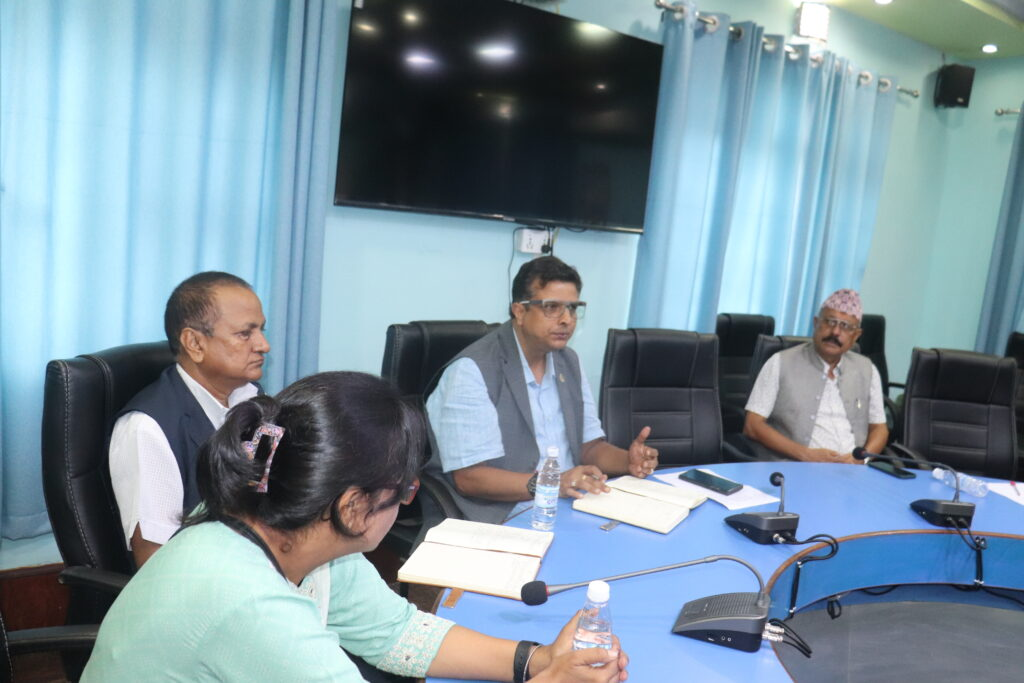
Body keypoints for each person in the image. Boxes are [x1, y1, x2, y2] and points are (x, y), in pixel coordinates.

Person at [82, 372, 629, 682]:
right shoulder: (250, 604)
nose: (407, 499)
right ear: (353, 508)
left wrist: (538, 660)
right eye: (405, 491)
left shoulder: (286, 523)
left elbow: (396, 633)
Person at [426, 256, 658, 524]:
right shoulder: (471, 370)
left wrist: (627, 461)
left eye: (572, 308)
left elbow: (589, 447)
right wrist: (552, 484)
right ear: (520, 311)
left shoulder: (568, 361)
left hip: (569, 502)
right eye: (552, 307)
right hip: (502, 513)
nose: (567, 320)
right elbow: (470, 478)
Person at [108, 271, 270, 567]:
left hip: (257, 560)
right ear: (194, 343)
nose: (263, 345)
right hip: (204, 580)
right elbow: (156, 561)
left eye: (261, 330)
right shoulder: (146, 429)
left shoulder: (255, 400)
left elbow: (265, 490)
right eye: (245, 334)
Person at [743, 289, 889, 464]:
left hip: (853, 471)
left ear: (856, 336)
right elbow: (752, 426)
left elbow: (879, 428)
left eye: (845, 326)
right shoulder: (780, 362)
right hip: (796, 467)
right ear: (816, 323)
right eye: (830, 321)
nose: (835, 332)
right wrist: (805, 454)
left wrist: (862, 459)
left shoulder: (867, 369)